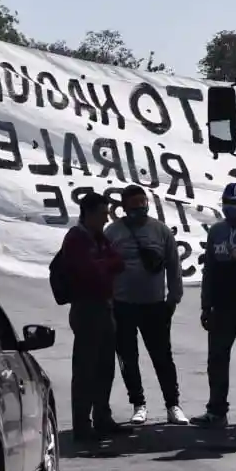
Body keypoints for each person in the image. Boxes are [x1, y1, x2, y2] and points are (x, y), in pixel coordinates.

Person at [105, 184, 187, 426]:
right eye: (135, 204)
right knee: (128, 357)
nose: (140, 208)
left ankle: (173, 405)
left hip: (155, 305)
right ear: (124, 207)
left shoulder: (160, 231)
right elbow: (106, 269)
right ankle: (138, 404)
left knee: (163, 356)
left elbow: (174, 265)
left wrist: (174, 297)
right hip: (122, 305)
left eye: (143, 203)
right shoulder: (113, 232)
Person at [60, 191, 126, 442]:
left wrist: (105, 263)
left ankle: (102, 415)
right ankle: (81, 423)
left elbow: (118, 262)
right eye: (101, 214)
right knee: (86, 368)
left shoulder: (98, 237)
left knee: (105, 366)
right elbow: (90, 272)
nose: (106, 219)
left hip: (105, 306)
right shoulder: (77, 239)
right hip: (87, 308)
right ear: (87, 213)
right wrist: (105, 264)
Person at [191, 183, 236, 428]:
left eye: (235, 204)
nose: (230, 209)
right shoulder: (217, 231)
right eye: (226, 204)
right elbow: (209, 268)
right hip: (222, 304)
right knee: (217, 359)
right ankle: (217, 410)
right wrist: (205, 305)